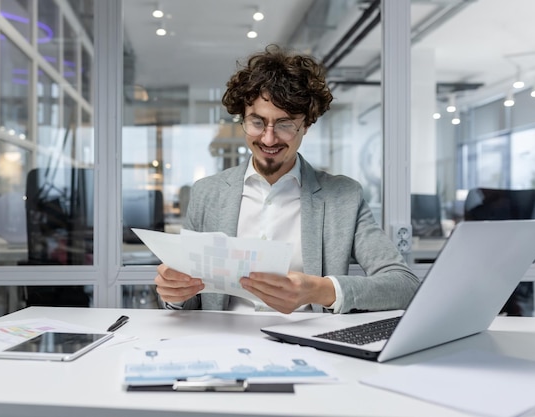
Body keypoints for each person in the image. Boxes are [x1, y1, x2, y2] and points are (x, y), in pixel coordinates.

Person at [154, 44, 420, 314]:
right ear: (243, 119)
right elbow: (189, 302)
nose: (269, 139)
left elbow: (404, 285)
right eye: (257, 122)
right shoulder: (207, 193)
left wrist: (319, 290)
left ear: (306, 124)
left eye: (284, 125)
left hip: (308, 346)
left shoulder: (344, 196)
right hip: (224, 344)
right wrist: (175, 293)